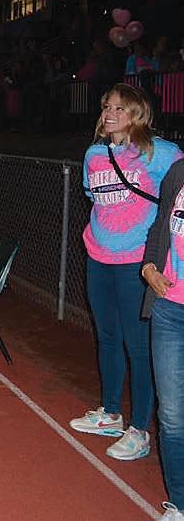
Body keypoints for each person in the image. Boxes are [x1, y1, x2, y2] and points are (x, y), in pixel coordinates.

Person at [70, 83, 182, 462]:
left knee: (138, 344)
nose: (110, 113)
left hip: (137, 263)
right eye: (107, 107)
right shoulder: (94, 155)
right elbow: (94, 197)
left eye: (119, 108)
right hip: (98, 256)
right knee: (107, 336)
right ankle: (110, 412)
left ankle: (139, 429)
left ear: (138, 114)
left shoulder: (160, 153)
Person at [140, 157, 184, 520]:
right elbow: (160, 226)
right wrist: (149, 265)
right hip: (169, 308)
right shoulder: (179, 172)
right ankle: (180, 503)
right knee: (171, 415)